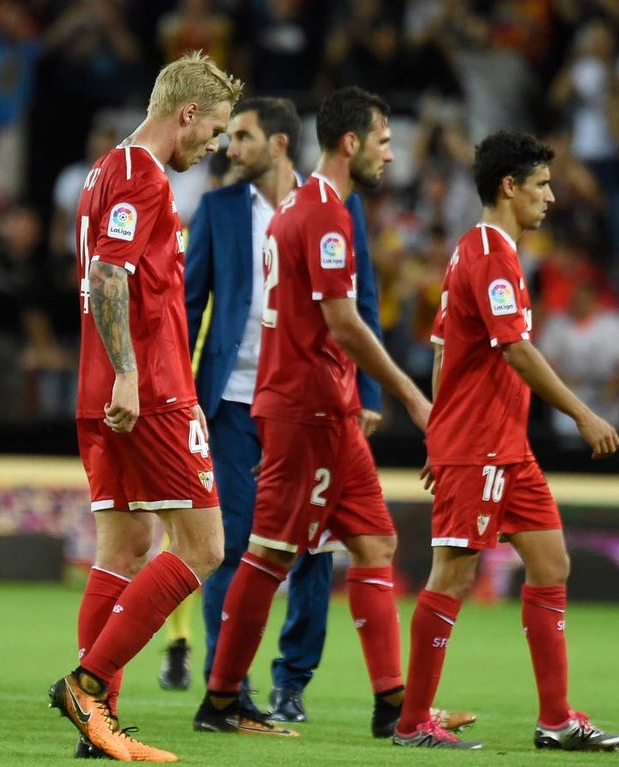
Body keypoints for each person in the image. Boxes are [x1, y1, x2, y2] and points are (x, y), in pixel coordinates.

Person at [184, 95, 474, 735]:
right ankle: (223, 698)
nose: (390, 153)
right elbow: (344, 321)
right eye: (384, 140)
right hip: (304, 408)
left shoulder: (308, 209)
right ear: (351, 143)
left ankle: (395, 709)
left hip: (330, 408)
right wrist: (409, 394)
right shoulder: (322, 215)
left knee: (376, 543)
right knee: (269, 553)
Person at [393, 131, 619, 751]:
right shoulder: (492, 255)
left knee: (551, 563)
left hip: (504, 444)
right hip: (481, 443)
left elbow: (444, 349)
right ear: (509, 186)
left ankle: (556, 721)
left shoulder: (474, 250)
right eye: (542, 185)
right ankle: (413, 723)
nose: (550, 197)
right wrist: (583, 414)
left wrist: (437, 431)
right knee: (451, 577)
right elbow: (517, 350)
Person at [47, 51, 242, 763]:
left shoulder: (104, 169)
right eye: (215, 129)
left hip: (100, 389)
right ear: (186, 113)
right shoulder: (140, 174)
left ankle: (98, 731)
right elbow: (107, 273)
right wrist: (130, 371)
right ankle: (88, 685)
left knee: (123, 551)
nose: (215, 145)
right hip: (149, 387)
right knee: (204, 546)